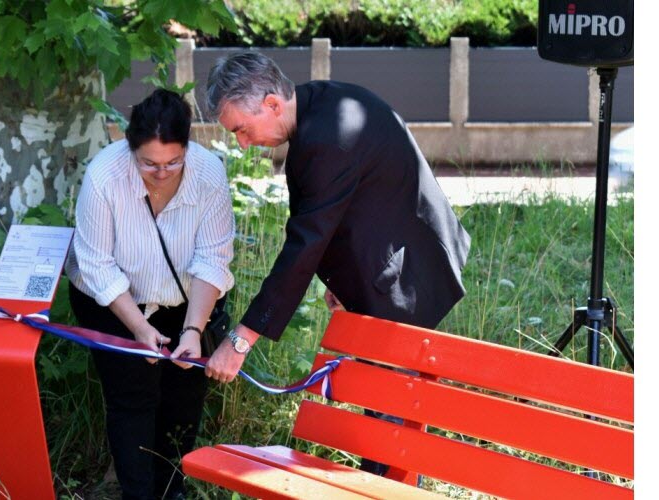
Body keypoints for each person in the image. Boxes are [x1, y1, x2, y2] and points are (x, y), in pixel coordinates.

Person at [202, 52, 471, 477]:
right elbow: (353, 205)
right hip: (396, 261)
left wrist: (240, 341)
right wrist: (345, 277)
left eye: (242, 129)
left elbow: (302, 248)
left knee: (388, 423)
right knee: (386, 412)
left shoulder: (326, 138)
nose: (243, 143)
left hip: (408, 276)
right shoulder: (326, 104)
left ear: (272, 104)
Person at [64, 89, 235, 500]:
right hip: (112, 301)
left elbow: (213, 259)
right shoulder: (105, 176)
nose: (162, 172)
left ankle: (171, 488)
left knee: (185, 395)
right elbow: (97, 265)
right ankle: (137, 495)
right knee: (132, 396)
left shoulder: (209, 174)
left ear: (187, 147)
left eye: (173, 161)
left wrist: (194, 331)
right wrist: (140, 327)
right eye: (149, 163)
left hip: (188, 302)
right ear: (130, 148)